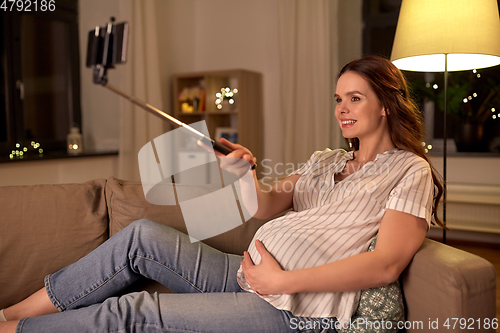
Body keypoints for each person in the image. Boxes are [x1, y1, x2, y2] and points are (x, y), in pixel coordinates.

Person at [0, 55, 445, 333]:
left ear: (386, 103)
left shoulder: (409, 170)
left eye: (354, 99)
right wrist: (243, 172)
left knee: (134, 312)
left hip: (298, 308)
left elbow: (386, 263)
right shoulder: (325, 159)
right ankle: (12, 312)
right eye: (337, 99)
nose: (341, 110)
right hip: (247, 274)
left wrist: (281, 282)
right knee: (140, 237)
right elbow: (266, 207)